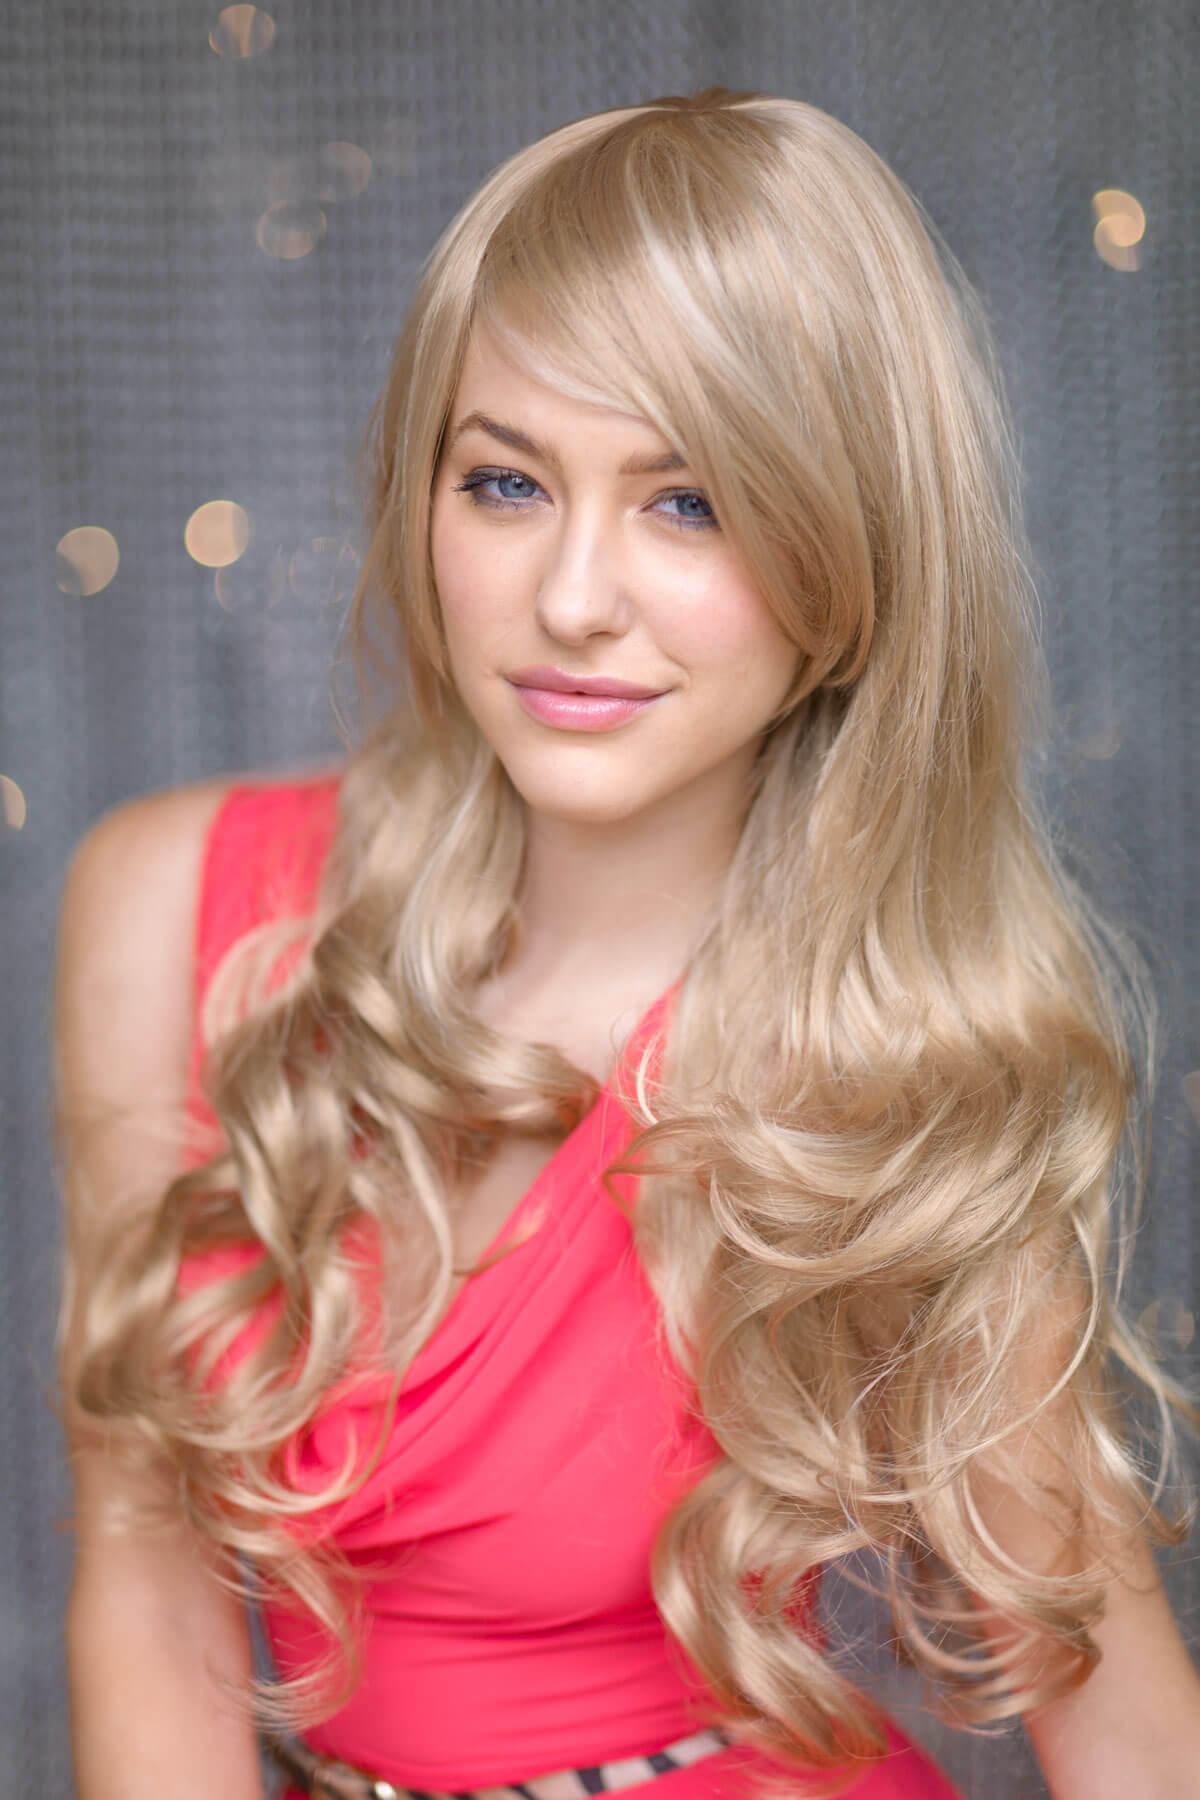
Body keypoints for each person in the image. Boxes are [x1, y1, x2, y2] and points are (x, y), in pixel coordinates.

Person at [53, 86, 1200, 1800]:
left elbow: (1115, 1711)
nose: (574, 596)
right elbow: (147, 1590)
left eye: (689, 505)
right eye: (505, 481)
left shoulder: (895, 1066)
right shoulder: (170, 902)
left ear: (852, 564)